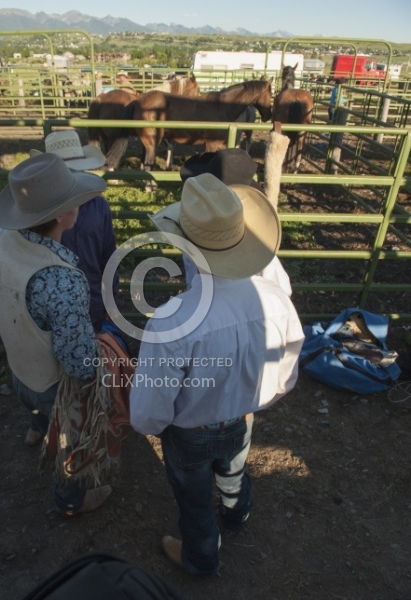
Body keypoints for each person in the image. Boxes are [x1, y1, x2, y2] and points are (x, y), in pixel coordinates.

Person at [129, 173, 305, 576]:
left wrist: (158, 426)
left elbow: (147, 412)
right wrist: (251, 401)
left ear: (185, 248)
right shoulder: (276, 299)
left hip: (189, 433)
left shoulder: (173, 319)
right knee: (234, 467)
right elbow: (286, 373)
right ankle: (237, 513)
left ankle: (203, 557)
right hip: (242, 416)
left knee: (193, 499)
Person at [0, 152, 112, 516]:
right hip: (52, 382)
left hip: (19, 363)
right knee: (73, 436)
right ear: (66, 214)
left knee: (29, 396)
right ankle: (70, 496)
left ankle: (35, 428)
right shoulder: (63, 279)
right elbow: (79, 362)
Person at [31, 129, 120, 332]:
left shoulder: (99, 205)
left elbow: (108, 254)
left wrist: (111, 296)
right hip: (55, 304)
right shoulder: (43, 211)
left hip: (90, 301)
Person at [180, 148, 292, 296]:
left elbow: (192, 282)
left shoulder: (196, 233)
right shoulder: (260, 245)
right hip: (253, 305)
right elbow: (283, 290)